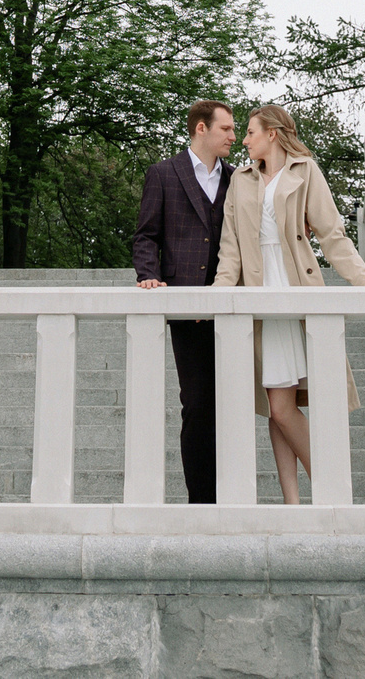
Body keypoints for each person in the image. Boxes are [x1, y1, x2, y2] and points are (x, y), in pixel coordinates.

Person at [213, 102, 365, 505]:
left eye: (251, 132)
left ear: (272, 134)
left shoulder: (305, 171)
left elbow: (331, 233)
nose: (245, 139)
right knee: (277, 403)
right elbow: (230, 248)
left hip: (295, 290)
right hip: (259, 296)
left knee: (280, 405)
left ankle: (330, 488)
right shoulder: (240, 179)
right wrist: (220, 292)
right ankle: (293, 501)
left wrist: (364, 279)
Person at [132, 98, 235, 504]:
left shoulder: (240, 178)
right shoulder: (163, 174)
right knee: (196, 404)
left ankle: (232, 497)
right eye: (226, 128)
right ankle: (201, 502)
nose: (233, 136)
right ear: (201, 129)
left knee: (231, 405)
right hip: (186, 309)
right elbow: (146, 235)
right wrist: (149, 276)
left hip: (233, 306)